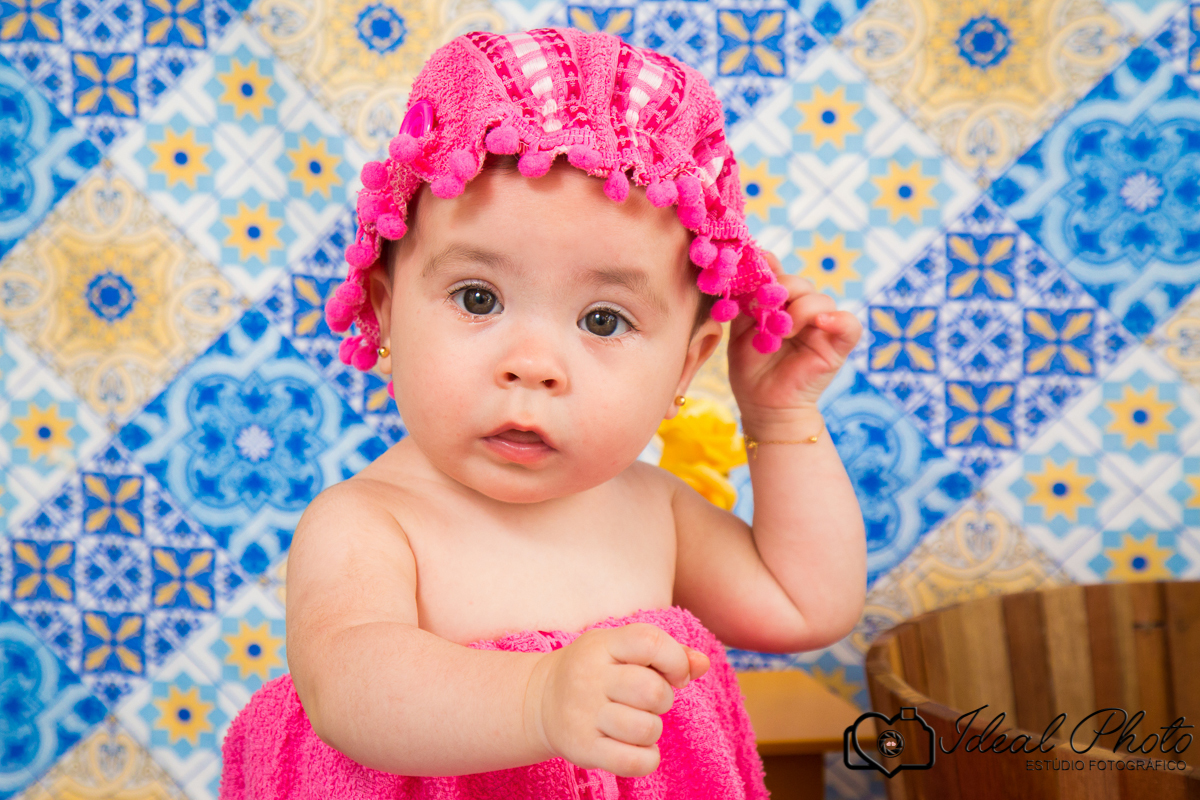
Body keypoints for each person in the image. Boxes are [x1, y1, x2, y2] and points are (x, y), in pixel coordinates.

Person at [219, 26, 867, 800]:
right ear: (386, 313)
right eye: (478, 299)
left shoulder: (649, 507)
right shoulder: (369, 522)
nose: (531, 364)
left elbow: (805, 604)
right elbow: (349, 690)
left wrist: (782, 419)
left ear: (685, 366)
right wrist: (537, 698)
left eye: (603, 320)